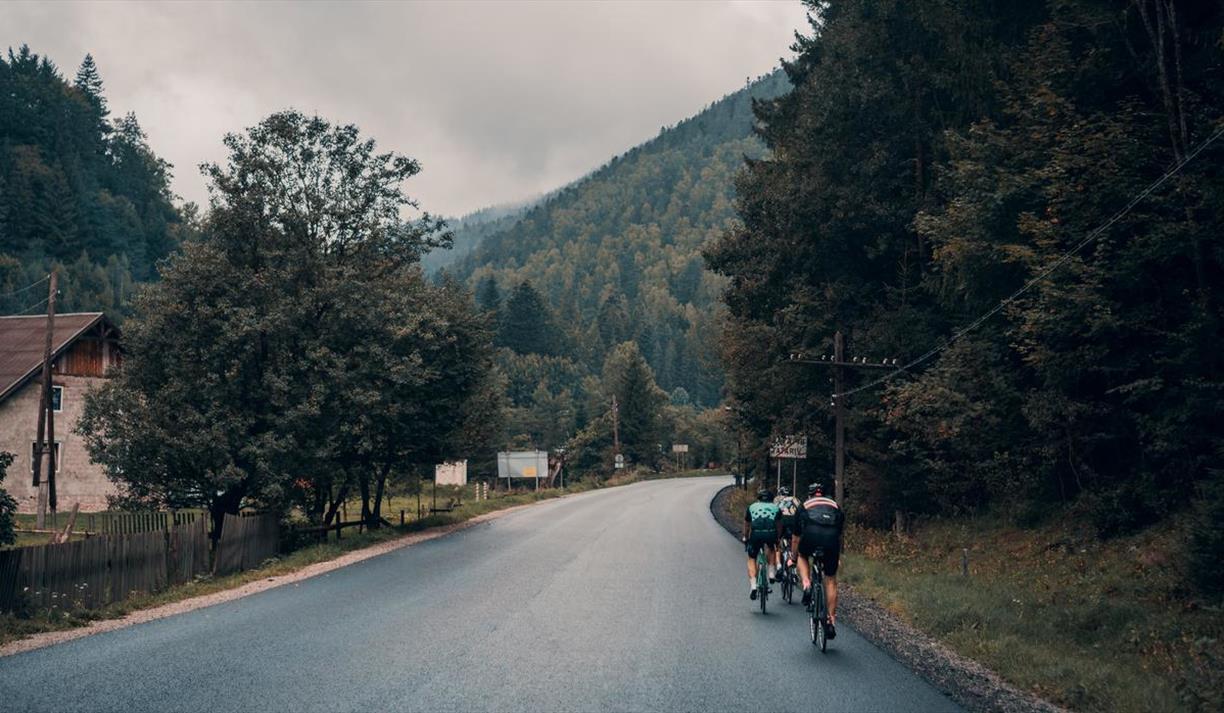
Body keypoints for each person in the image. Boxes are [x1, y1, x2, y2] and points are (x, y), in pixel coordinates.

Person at [790, 481, 844, 639]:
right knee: (831, 580)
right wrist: (836, 555)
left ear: (810, 494)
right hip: (831, 540)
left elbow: (795, 538)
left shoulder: (804, 505)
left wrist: (793, 557)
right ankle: (831, 621)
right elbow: (839, 534)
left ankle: (806, 583)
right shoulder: (835, 506)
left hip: (811, 536)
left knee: (803, 555)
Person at [742, 487, 782, 600]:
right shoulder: (776, 508)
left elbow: (747, 524)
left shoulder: (751, 507)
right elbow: (779, 525)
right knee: (771, 548)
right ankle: (771, 573)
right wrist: (778, 538)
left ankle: (753, 586)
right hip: (770, 533)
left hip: (756, 534)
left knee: (752, 558)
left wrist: (745, 537)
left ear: (758, 499)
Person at [772, 486, 800, 579]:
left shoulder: (777, 499)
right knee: (794, 543)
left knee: (777, 543)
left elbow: (774, 512)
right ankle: (794, 571)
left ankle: (779, 565)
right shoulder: (795, 499)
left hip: (782, 521)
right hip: (794, 522)